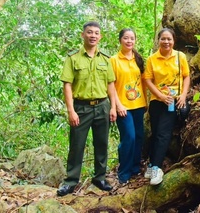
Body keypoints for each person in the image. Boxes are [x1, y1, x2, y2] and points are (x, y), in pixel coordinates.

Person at [57, 21, 117, 196]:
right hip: (81, 108)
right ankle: (70, 181)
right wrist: (70, 110)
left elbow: (111, 84)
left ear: (100, 37)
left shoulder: (106, 58)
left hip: (102, 107)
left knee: (101, 143)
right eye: (89, 32)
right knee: (77, 145)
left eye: (96, 33)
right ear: (83, 35)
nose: (93, 36)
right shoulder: (73, 58)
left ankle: (100, 178)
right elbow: (67, 85)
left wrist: (113, 107)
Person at [144, 28, 190, 185]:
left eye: (169, 39)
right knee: (156, 132)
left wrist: (183, 95)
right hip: (157, 100)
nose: (166, 42)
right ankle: (150, 164)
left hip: (174, 100)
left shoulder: (180, 56)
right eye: (163, 39)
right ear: (158, 40)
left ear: (174, 41)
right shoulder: (152, 59)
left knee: (163, 134)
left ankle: (156, 168)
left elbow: (186, 76)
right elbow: (148, 80)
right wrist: (160, 96)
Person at [110, 28, 147, 185]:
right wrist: (117, 105)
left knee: (139, 137)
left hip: (139, 105)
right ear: (120, 40)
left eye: (132, 38)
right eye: (126, 38)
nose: (129, 41)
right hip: (123, 107)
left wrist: (146, 102)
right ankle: (123, 172)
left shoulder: (138, 59)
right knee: (129, 137)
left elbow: (144, 82)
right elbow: (110, 84)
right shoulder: (114, 60)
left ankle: (134, 167)